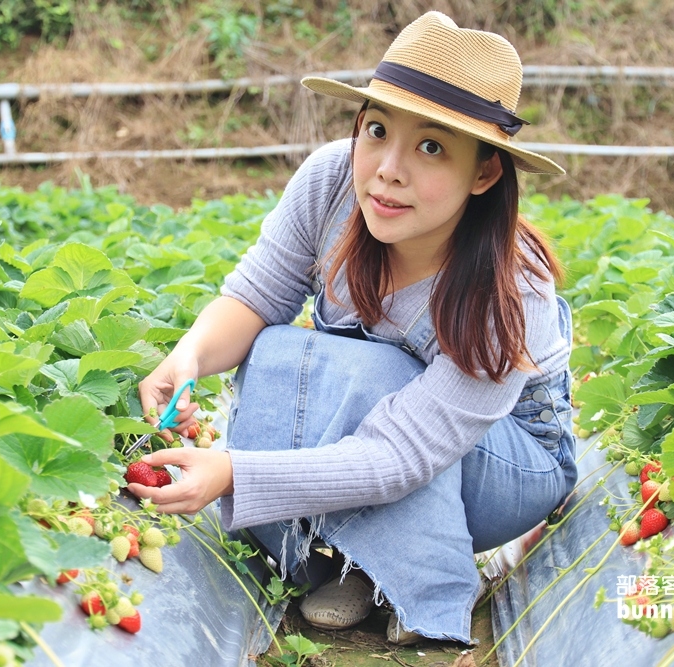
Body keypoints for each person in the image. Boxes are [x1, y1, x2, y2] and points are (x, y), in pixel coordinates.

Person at [129, 11, 577, 646]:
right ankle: (345, 560)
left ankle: (405, 574)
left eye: (431, 146)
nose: (387, 169)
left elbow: (402, 452)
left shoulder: (513, 286)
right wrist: (189, 356)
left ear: (484, 172)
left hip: (509, 462)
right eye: (375, 130)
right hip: (377, 429)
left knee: (374, 374)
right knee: (279, 351)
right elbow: (256, 298)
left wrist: (234, 473)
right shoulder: (332, 182)